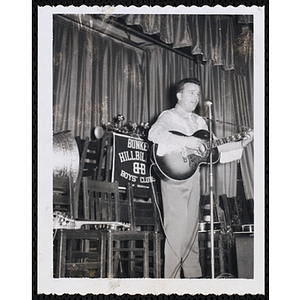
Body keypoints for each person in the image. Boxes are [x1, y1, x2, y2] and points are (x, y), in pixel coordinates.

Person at [148, 78, 253, 278]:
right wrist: (188, 141)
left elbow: (217, 148)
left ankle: (194, 279)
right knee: (176, 230)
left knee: (190, 232)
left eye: (198, 93)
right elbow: (154, 134)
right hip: (173, 178)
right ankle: (171, 283)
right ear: (179, 95)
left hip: (193, 177)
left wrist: (242, 143)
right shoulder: (169, 116)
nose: (196, 97)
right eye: (191, 92)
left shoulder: (200, 121)